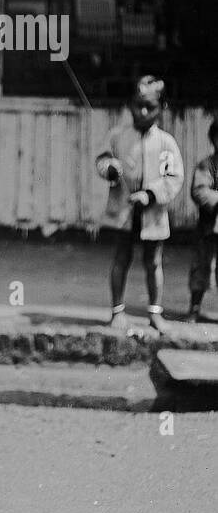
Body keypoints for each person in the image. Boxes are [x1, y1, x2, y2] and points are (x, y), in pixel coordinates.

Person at [95, 75, 184, 332]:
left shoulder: (166, 143)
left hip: (153, 214)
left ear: (162, 108)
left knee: (153, 262)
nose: (142, 111)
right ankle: (117, 312)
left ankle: (155, 313)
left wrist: (151, 194)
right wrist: (109, 168)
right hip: (123, 211)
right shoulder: (117, 136)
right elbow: (102, 161)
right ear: (130, 104)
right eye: (137, 105)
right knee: (121, 258)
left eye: (150, 107)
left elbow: (174, 176)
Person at [185, 119, 218, 323]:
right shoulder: (207, 165)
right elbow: (199, 190)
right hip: (209, 227)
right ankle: (194, 308)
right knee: (201, 267)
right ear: (213, 139)